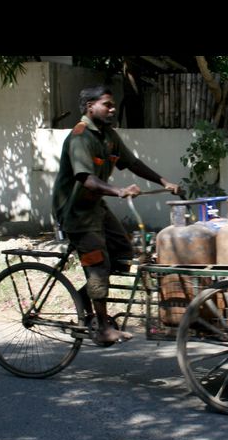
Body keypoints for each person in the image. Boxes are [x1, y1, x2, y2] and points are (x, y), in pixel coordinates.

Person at [52, 85, 181, 345]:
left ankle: (86, 296)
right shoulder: (80, 136)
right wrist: (119, 190)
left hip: (95, 207)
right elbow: (85, 179)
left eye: (112, 105)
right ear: (90, 107)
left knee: (122, 254)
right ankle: (102, 328)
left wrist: (164, 181)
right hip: (76, 212)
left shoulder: (108, 136)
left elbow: (132, 163)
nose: (112, 109)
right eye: (107, 105)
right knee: (98, 265)